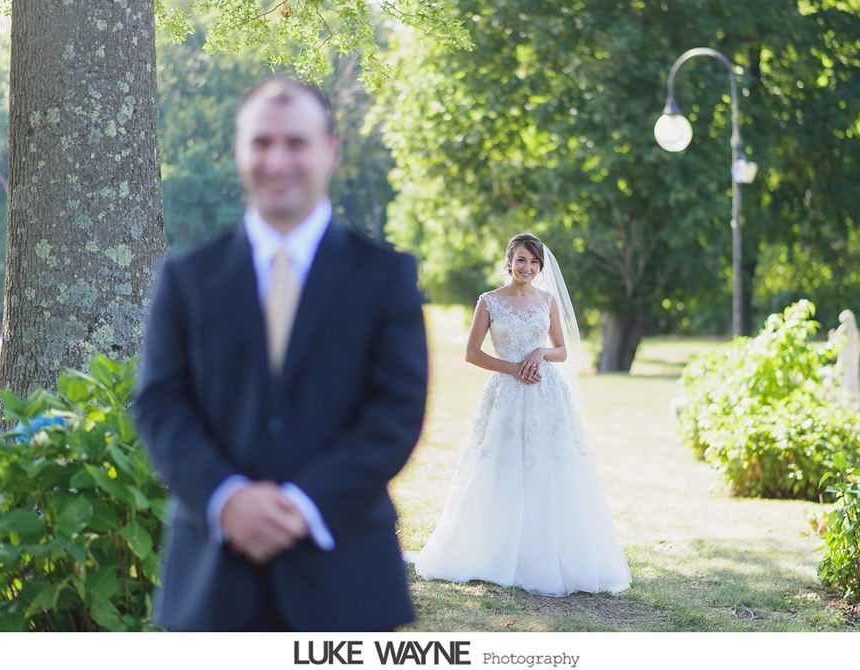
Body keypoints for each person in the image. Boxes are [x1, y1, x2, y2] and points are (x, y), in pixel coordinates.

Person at [133, 78, 428, 631]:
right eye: (262, 143)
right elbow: (161, 405)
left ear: (330, 151)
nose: (278, 160)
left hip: (346, 579)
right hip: (213, 583)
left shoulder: (386, 277)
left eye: (296, 143)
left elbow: (396, 412)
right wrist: (228, 498)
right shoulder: (187, 278)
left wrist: (305, 504)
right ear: (239, 151)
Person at [413, 233, 630, 596]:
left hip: (546, 395)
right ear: (509, 261)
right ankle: (494, 551)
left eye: (534, 262)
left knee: (550, 468)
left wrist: (540, 353)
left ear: (540, 267)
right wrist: (514, 367)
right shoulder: (489, 302)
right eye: (521, 260)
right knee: (500, 467)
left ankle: (546, 553)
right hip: (506, 395)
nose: (527, 268)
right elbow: (472, 353)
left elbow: (562, 349)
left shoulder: (547, 301)